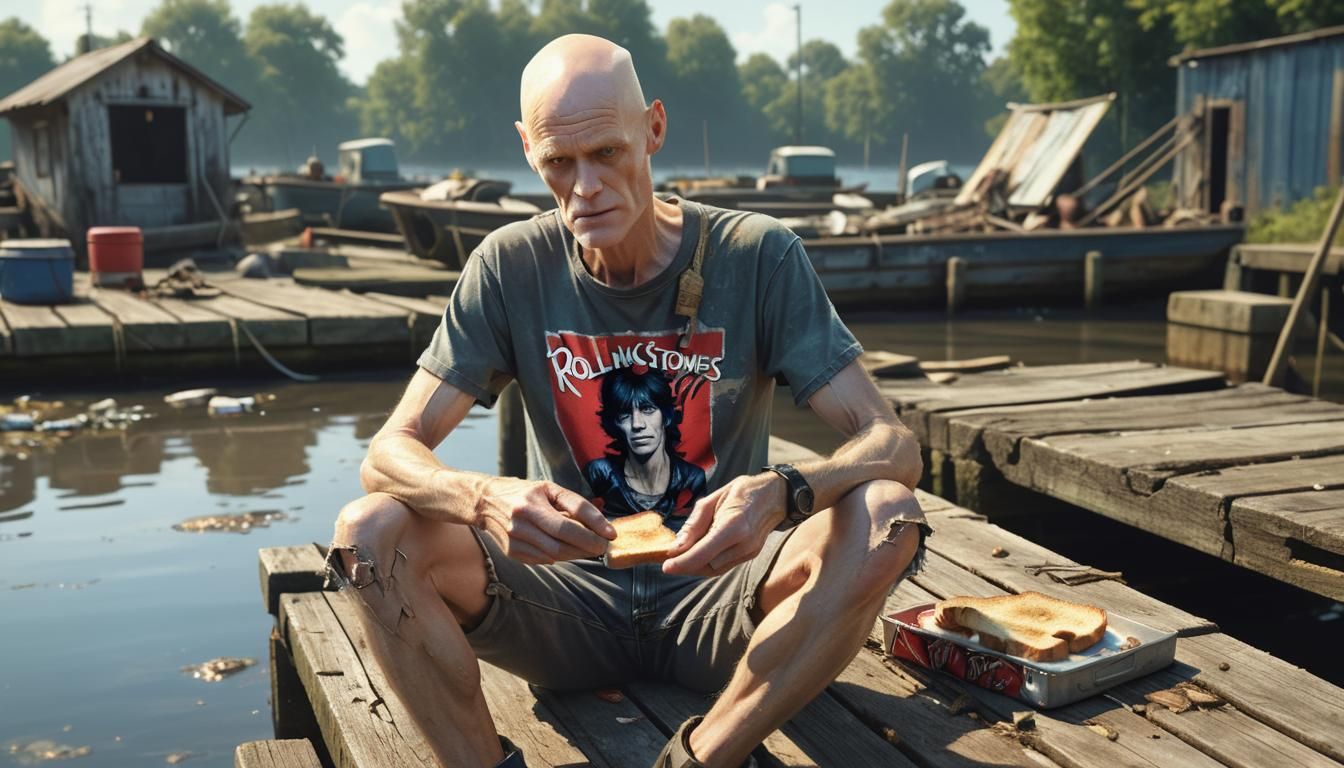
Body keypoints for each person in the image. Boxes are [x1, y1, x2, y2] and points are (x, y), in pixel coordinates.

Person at [327, 33, 928, 768]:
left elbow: (892, 444)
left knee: (886, 517)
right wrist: (482, 498)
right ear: (527, 150)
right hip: (565, 603)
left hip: (723, 596)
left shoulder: (757, 255)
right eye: (558, 162)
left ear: (653, 129)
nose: (585, 188)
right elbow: (390, 452)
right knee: (370, 532)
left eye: (607, 152)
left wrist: (785, 492)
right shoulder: (510, 266)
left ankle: (706, 755)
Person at [584, 365, 707, 520]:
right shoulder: (601, 473)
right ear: (615, 422)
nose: (637, 424)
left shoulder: (691, 478)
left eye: (647, 409)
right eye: (625, 413)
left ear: (666, 416)